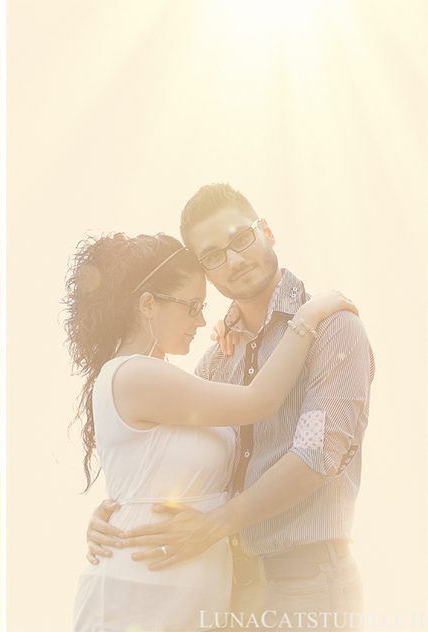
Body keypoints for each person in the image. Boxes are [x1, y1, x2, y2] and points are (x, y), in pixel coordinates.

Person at [84, 184, 374, 630]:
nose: (234, 260)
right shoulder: (216, 359)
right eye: (214, 255)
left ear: (268, 232)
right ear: (205, 272)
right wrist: (118, 512)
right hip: (226, 586)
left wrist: (216, 524)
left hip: (304, 582)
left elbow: (318, 454)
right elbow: (174, 455)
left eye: (241, 239)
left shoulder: (332, 329)